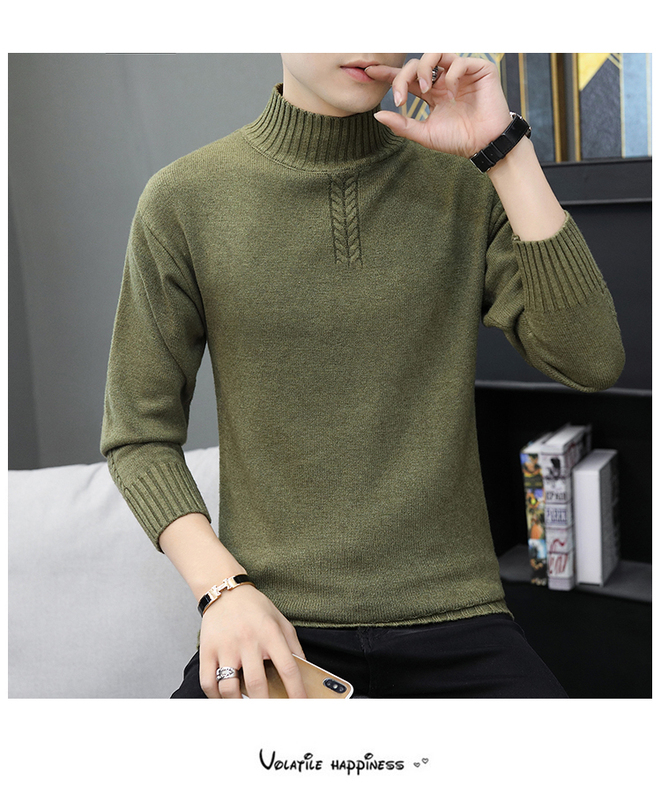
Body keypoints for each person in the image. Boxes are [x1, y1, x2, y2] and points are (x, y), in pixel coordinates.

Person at [101, 53, 625, 699]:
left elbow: (590, 360)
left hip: (458, 618)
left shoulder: (464, 182)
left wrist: (504, 153)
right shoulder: (185, 198)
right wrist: (223, 591)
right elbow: (139, 436)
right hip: (273, 622)